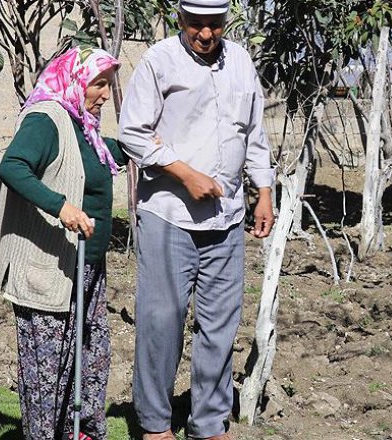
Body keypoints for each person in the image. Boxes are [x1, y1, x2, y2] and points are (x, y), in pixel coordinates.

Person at [117, 0, 276, 438]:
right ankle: (154, 424)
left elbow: (254, 132)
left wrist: (263, 191)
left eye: (215, 25)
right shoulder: (158, 61)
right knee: (161, 320)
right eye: (197, 25)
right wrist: (184, 173)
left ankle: (208, 423)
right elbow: (131, 131)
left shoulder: (240, 60)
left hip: (227, 218)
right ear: (180, 20)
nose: (206, 34)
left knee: (220, 324)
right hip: (169, 214)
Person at [0, 46, 125, 440]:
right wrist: (61, 206)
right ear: (75, 79)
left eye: (108, 85)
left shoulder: (83, 124)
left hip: (86, 264)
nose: (103, 94)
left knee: (90, 357)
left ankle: (80, 432)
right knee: (47, 369)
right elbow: (12, 165)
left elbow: (94, 160)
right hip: (48, 267)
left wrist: (140, 147)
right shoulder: (46, 119)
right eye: (98, 84)